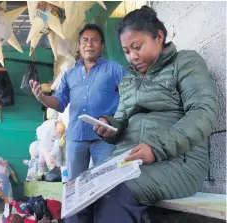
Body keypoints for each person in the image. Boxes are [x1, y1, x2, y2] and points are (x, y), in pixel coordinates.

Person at [91, 5, 218, 223]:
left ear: (159, 37)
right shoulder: (129, 79)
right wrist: (109, 126)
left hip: (177, 162)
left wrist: (156, 148)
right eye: (127, 51)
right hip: (128, 161)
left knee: (115, 193)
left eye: (137, 47)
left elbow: (203, 112)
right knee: (81, 192)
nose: (132, 56)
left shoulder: (184, 62)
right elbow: (121, 118)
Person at [29, 23, 127, 181]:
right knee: (77, 185)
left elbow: (131, 93)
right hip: (76, 137)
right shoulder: (69, 74)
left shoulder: (114, 69)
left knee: (106, 183)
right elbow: (59, 103)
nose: (89, 44)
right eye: (85, 40)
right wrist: (42, 97)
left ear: (101, 45)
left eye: (94, 40)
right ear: (79, 45)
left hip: (104, 137)